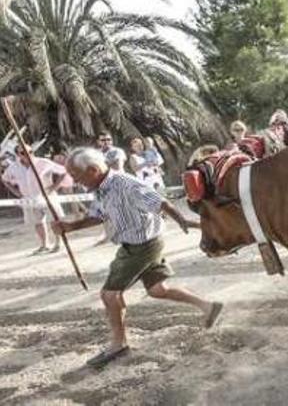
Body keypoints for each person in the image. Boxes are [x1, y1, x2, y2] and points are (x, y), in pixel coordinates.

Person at [51, 147, 223, 368]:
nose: (76, 181)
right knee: (157, 290)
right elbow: (98, 215)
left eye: (77, 176)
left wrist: (182, 221)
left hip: (142, 245)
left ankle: (118, 344)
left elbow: (159, 201)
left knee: (110, 295)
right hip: (141, 244)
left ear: (93, 170)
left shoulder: (125, 183)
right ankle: (209, 306)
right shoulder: (100, 188)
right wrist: (70, 226)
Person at [2, 145, 68, 254]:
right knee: (37, 222)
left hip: (46, 196)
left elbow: (63, 172)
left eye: (31, 152)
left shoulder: (43, 162)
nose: (29, 155)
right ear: (18, 155)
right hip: (29, 198)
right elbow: (5, 179)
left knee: (54, 220)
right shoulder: (13, 167)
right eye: (24, 153)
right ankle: (44, 244)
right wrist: (16, 193)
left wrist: (53, 187)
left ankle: (58, 243)